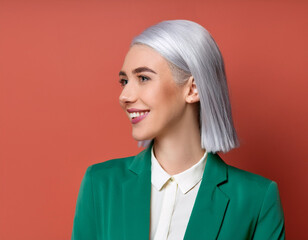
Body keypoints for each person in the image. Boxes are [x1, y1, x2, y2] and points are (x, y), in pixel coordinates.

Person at [71, 20, 285, 240]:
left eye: (143, 78)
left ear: (193, 89)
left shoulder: (257, 199)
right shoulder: (101, 184)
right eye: (124, 81)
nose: (124, 96)